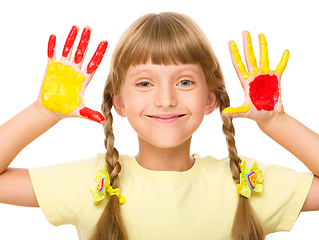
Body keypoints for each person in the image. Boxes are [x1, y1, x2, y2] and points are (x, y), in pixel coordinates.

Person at [0, 12, 318, 240]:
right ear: (118, 102)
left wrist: (277, 121)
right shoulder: (91, 183)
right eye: (144, 83)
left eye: (184, 81)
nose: (165, 99)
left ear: (211, 99)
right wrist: (41, 113)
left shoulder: (247, 186)